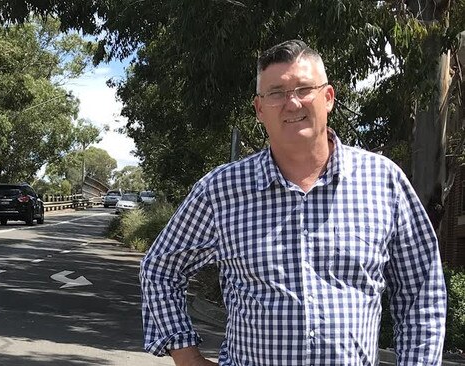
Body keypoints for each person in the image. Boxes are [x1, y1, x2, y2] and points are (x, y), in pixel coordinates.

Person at [139, 39, 447, 366]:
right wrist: (187, 357)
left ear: (328, 97)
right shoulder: (220, 191)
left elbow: (421, 296)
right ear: (259, 110)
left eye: (304, 88)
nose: (292, 103)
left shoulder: (384, 182)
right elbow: (160, 269)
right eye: (276, 93)